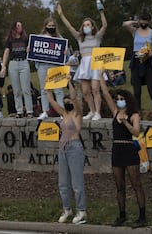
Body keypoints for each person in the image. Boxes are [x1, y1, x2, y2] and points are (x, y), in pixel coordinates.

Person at [99, 70, 147, 228]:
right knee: (119, 185)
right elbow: (105, 93)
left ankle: (142, 216)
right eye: (118, 99)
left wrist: (125, 122)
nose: (119, 101)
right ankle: (121, 215)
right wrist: (101, 76)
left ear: (127, 100)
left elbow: (136, 131)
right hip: (117, 150)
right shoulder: (115, 111)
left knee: (136, 184)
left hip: (129, 150)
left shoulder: (133, 115)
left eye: (121, 99)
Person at [46, 77, 87, 225]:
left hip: (74, 148)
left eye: (68, 101)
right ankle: (67, 209)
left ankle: (81, 210)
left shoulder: (77, 114)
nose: (67, 103)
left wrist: (69, 83)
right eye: (65, 101)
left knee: (77, 182)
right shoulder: (64, 113)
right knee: (63, 183)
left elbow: (75, 98)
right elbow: (52, 101)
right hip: (62, 149)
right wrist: (48, 86)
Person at [57, 2, 107, 121]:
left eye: (88, 24)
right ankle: (92, 110)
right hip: (84, 63)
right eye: (84, 25)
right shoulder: (80, 37)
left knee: (95, 89)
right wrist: (61, 14)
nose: (86, 26)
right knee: (85, 91)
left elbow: (104, 26)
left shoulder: (97, 36)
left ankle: (98, 113)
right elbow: (70, 27)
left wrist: (101, 12)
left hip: (95, 62)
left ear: (92, 26)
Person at [123, 10, 152, 123]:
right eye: (142, 21)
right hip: (136, 61)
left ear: (149, 22)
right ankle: (137, 114)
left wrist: (149, 54)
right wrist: (136, 21)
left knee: (151, 89)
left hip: (147, 61)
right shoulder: (135, 31)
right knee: (137, 91)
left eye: (146, 21)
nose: (143, 23)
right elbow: (125, 24)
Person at [0, 21, 33, 118]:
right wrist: (4, 66)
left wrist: (29, 51)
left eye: (21, 25)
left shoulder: (26, 39)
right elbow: (6, 53)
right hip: (13, 63)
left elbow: (32, 50)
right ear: (14, 27)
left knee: (26, 88)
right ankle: (19, 111)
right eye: (18, 26)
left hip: (24, 62)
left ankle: (29, 110)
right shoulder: (10, 40)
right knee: (16, 90)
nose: (20, 27)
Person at [35, 18, 66, 120]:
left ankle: (62, 112)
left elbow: (66, 53)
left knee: (58, 90)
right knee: (44, 89)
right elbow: (34, 53)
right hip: (43, 66)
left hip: (56, 66)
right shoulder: (39, 38)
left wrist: (65, 53)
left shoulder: (59, 38)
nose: (51, 28)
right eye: (49, 26)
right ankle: (45, 111)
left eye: (53, 26)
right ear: (45, 26)